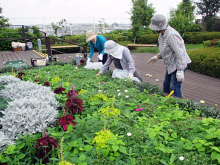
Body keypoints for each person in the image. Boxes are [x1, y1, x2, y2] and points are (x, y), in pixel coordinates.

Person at [147, 14, 191, 98]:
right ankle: (166, 105)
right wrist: (157, 56)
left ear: (160, 26)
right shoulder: (162, 35)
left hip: (178, 65)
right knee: (166, 86)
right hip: (170, 65)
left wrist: (180, 70)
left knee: (174, 89)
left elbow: (180, 53)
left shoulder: (171, 35)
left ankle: (177, 108)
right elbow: (167, 50)